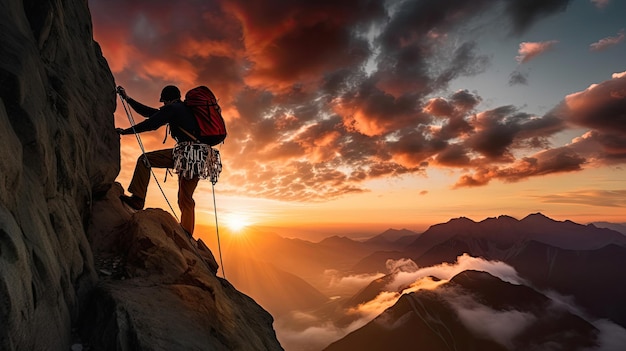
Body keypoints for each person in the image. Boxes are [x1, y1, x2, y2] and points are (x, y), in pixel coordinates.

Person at [115, 85, 202, 237]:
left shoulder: (174, 108)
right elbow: (152, 114)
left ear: (167, 99)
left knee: (145, 160)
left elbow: (152, 123)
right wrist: (128, 99)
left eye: (163, 102)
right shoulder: (183, 109)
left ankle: (138, 199)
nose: (163, 105)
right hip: (200, 157)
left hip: (185, 153)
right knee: (186, 197)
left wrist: (126, 131)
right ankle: (187, 234)